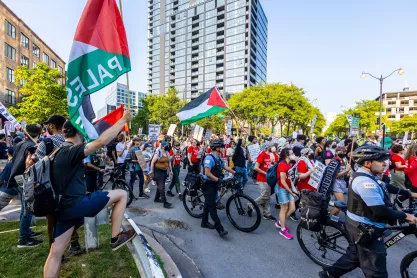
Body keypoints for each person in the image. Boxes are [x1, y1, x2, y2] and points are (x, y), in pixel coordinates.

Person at [43, 111, 136, 277]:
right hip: (76, 205)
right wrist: (123, 120)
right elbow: (101, 142)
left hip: (62, 209)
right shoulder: (71, 150)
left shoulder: (56, 152)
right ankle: (116, 238)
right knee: (122, 194)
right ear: (78, 132)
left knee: (55, 252)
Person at [320, 145, 417, 278]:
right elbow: (380, 211)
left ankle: (329, 274)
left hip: (361, 224)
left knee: (354, 256)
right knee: (377, 272)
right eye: (381, 161)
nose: (386, 163)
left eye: (386, 160)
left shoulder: (369, 174)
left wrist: (410, 194)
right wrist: (406, 216)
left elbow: (385, 185)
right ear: (367, 163)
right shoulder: (364, 182)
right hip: (364, 228)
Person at [8, 124, 42, 248]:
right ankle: (23, 239)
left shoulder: (20, 144)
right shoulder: (31, 146)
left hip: (17, 177)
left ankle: (26, 231)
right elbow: (30, 164)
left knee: (24, 206)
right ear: (39, 133)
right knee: (28, 207)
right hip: (25, 178)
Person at [201, 139, 236, 237]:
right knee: (212, 207)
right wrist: (218, 180)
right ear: (217, 148)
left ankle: (204, 222)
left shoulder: (218, 157)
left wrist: (234, 172)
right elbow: (207, 173)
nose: (223, 148)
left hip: (214, 183)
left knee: (208, 203)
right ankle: (220, 229)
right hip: (208, 184)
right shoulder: (209, 158)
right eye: (221, 147)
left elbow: (225, 167)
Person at [275, 148, 298, 239]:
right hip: (282, 189)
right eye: (291, 153)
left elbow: (289, 178)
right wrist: (291, 193)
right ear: (287, 155)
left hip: (288, 188)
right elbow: (283, 181)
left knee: (292, 208)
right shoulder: (282, 165)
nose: (293, 154)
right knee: (284, 208)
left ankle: (280, 222)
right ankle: (283, 229)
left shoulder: (288, 164)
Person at [253, 142, 277, 222]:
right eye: (272, 146)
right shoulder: (262, 154)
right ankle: (251, 205)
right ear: (267, 147)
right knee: (265, 196)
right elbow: (256, 167)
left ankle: (267, 214)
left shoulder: (273, 155)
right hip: (262, 179)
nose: (273, 147)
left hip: (270, 179)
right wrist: (266, 173)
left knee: (267, 197)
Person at [149, 141, 172, 208]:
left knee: (160, 185)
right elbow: (152, 162)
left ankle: (156, 199)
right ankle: (165, 202)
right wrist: (151, 170)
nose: (168, 146)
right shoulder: (158, 152)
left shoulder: (167, 152)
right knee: (162, 187)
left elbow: (169, 161)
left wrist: (171, 170)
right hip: (158, 171)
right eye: (166, 145)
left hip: (164, 171)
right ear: (162, 146)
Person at [330, 147, 351, 216]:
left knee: (337, 202)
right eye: (339, 151)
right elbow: (335, 175)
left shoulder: (344, 160)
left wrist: (348, 172)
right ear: (336, 152)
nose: (341, 153)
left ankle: (334, 218)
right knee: (341, 203)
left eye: (343, 151)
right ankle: (327, 218)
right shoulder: (334, 161)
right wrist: (346, 171)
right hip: (336, 183)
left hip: (342, 182)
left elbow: (346, 175)